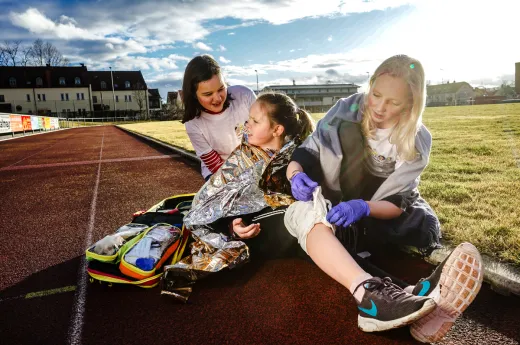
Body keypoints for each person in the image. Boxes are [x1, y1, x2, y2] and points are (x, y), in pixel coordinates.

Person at [283, 55, 483, 341]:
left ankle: (404, 295)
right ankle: (403, 293)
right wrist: (295, 175)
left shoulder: (418, 140)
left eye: (394, 103)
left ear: (411, 104)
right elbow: (307, 151)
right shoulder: (347, 109)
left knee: (424, 227)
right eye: (375, 95)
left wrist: (363, 207)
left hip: (376, 202)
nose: (379, 107)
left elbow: (397, 201)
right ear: (370, 85)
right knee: (335, 230)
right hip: (341, 188)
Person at [183, 91, 315, 260]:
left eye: (255, 121)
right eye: (249, 118)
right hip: (261, 232)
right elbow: (223, 200)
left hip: (290, 225)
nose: (247, 124)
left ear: (277, 129)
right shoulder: (244, 155)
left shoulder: (299, 156)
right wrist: (234, 226)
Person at [181, 54, 257, 181]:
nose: (217, 98)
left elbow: (266, 131)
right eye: (208, 94)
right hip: (219, 170)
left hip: (253, 160)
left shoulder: (244, 95)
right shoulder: (192, 123)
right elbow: (214, 163)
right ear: (193, 95)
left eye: (221, 89)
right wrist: (239, 181)